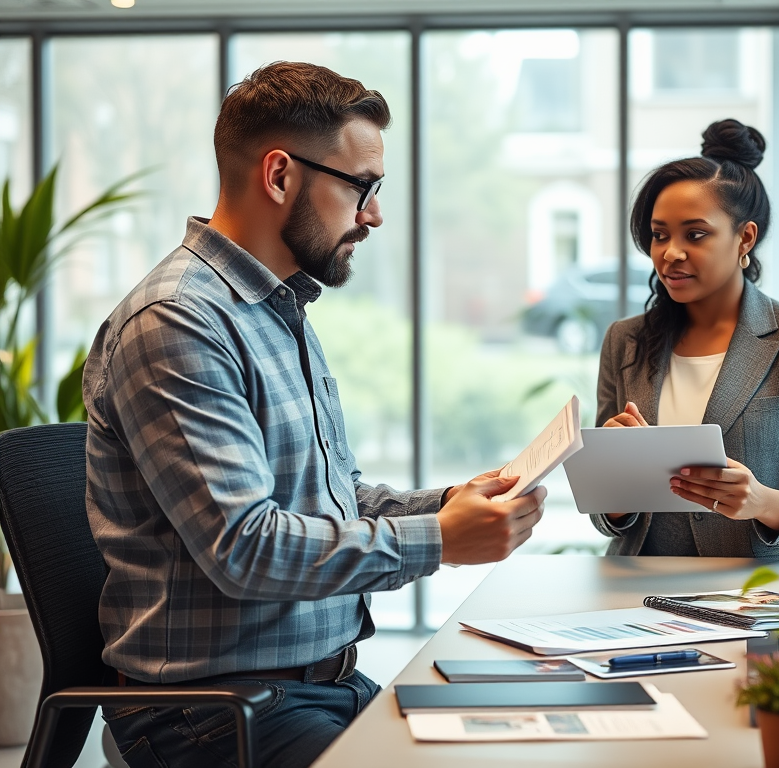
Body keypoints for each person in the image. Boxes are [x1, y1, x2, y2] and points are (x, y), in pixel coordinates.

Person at [83, 61, 546, 768]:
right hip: (208, 714)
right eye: (362, 186)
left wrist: (447, 505)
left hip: (316, 688)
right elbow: (245, 546)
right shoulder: (177, 321)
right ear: (279, 176)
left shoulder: (279, 310)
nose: (375, 214)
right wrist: (438, 541)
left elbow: (333, 498)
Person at [590, 119, 779, 558]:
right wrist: (615, 485)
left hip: (748, 592)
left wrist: (765, 503)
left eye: (695, 234)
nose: (670, 253)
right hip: (637, 597)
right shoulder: (625, 340)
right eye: (658, 235)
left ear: (745, 237)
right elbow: (603, 511)